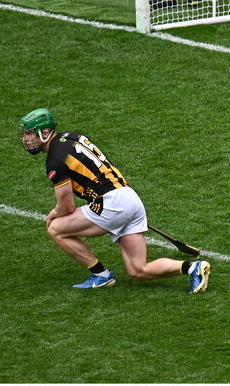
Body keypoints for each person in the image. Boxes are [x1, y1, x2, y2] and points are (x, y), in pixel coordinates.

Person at [19, 108, 210, 293]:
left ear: (45, 132)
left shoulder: (55, 161)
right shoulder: (72, 136)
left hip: (110, 204)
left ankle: (101, 275)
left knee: (56, 228)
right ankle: (193, 268)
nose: (26, 140)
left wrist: (52, 215)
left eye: (30, 134)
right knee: (138, 270)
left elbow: (67, 207)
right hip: (129, 198)